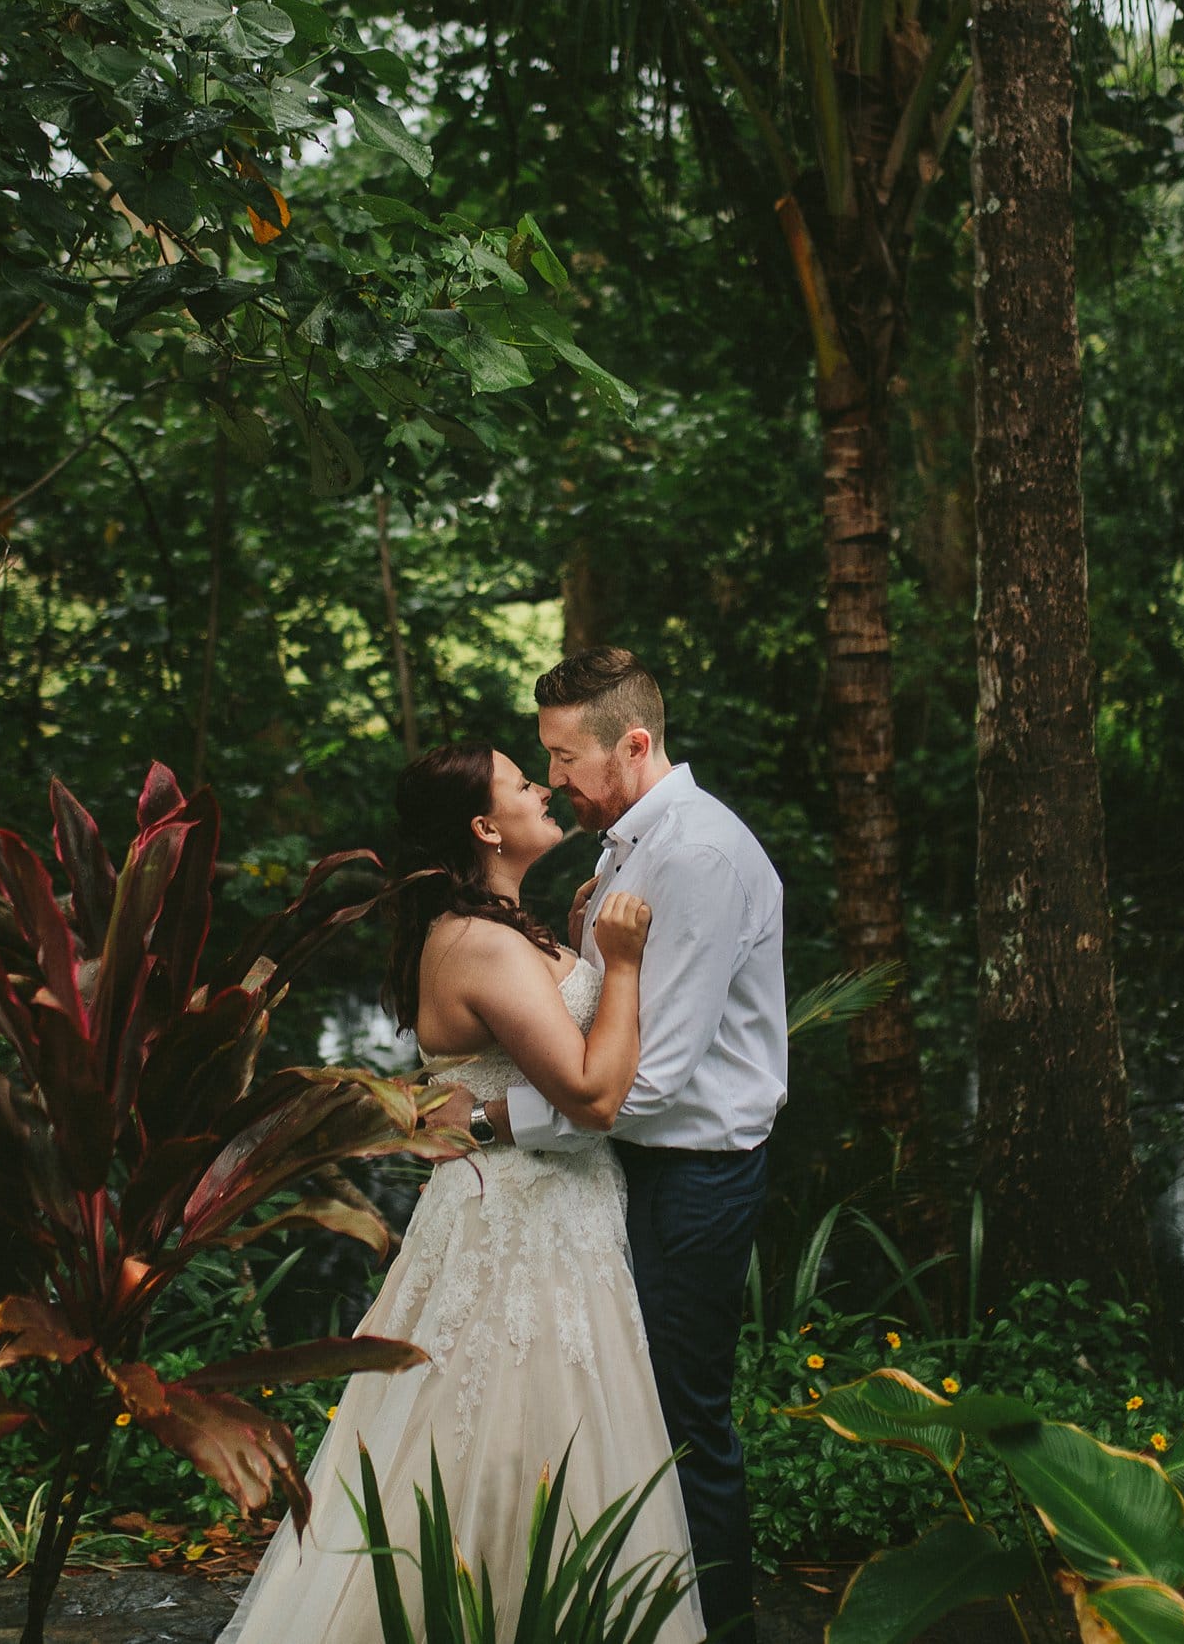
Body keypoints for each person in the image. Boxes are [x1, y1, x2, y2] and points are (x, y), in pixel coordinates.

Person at [214, 736, 708, 1644]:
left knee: (537, 1438)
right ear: (486, 825)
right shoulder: (481, 945)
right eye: (524, 782)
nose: (543, 785)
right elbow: (594, 1094)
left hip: (548, 1210)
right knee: (511, 1431)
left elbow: (511, 1064)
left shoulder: (502, 930)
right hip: (524, 1221)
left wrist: (578, 948)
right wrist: (625, 966)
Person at [471, 645, 786, 1643]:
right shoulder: (630, 842)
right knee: (623, 1410)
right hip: (629, 1166)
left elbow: (649, 1082)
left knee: (682, 1417)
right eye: (545, 760)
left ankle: (722, 1624)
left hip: (691, 1174)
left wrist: (496, 1119)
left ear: (633, 743)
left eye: (565, 758)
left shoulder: (692, 853)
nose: (555, 779)